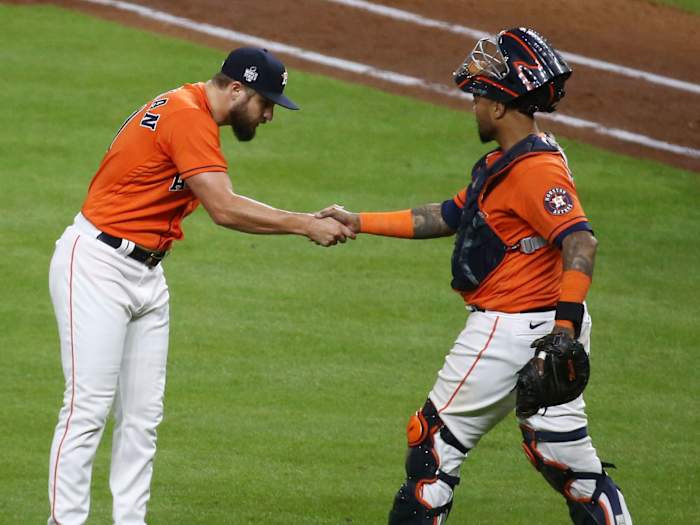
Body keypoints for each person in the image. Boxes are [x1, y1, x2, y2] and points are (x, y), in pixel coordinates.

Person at [318, 28, 633, 525]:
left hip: (511, 332)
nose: (474, 105)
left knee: (433, 447)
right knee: (570, 463)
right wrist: (358, 221)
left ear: (502, 107)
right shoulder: (510, 161)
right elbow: (446, 215)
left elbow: (581, 242)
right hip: (544, 330)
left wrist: (563, 333)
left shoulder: (535, 171)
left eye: (480, 95)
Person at [47, 47, 354, 525]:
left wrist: (301, 219)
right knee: (86, 410)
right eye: (265, 102)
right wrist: (302, 225)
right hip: (97, 265)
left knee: (143, 420)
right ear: (236, 89)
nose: (269, 115)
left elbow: (221, 194)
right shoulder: (187, 116)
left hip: (147, 273)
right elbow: (224, 208)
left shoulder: (189, 110)